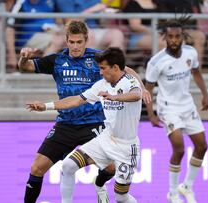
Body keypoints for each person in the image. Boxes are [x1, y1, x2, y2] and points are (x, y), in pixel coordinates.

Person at [18, 20, 147, 203]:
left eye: (79, 42)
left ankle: (100, 184)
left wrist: (144, 88)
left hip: (94, 124)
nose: (75, 46)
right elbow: (25, 66)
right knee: (37, 167)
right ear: (66, 40)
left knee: (111, 168)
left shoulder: (97, 59)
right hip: (66, 124)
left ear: (86, 40)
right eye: (72, 42)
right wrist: (24, 57)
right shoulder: (57, 60)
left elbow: (126, 70)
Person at [144, 16, 208, 203]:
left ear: (182, 37)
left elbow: (196, 73)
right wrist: (151, 114)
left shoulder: (190, 53)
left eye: (177, 37)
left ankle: (187, 186)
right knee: (179, 149)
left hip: (187, 106)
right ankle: (173, 193)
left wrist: (205, 95)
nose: (174, 40)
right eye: (170, 37)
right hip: (168, 108)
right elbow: (147, 90)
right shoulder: (156, 62)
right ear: (165, 37)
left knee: (202, 146)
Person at [157, 0, 208, 73]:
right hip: (177, 31)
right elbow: (165, 19)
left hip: (197, 30)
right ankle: (197, 74)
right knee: (199, 36)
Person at [6, 0, 65, 70]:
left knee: (66, 39)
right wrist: (11, 55)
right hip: (27, 39)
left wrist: (56, 28)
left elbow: (59, 19)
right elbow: (9, 29)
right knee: (58, 41)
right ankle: (43, 74)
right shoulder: (21, 3)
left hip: (50, 34)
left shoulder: (50, 2)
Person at [55, 0, 125, 51]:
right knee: (87, 33)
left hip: (96, 29)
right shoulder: (64, 1)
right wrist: (90, 11)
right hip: (75, 32)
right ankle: (89, 68)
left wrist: (106, 15)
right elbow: (70, 22)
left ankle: (112, 66)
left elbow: (100, 19)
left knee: (117, 34)